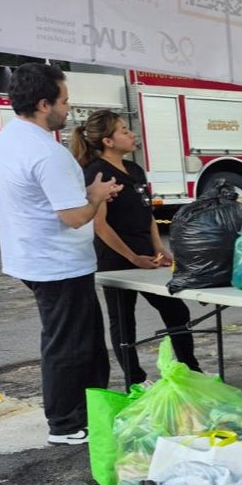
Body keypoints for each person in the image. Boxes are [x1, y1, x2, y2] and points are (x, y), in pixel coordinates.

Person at [0, 63, 120, 445]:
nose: (69, 109)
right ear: (45, 104)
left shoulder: (9, 137)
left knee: (82, 339)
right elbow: (76, 216)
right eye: (65, 101)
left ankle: (90, 412)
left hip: (34, 257)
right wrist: (96, 195)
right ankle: (65, 424)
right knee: (69, 344)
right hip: (56, 263)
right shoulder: (47, 153)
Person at [70, 110, 201, 383]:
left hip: (147, 256)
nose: (132, 135)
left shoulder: (135, 170)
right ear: (108, 141)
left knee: (175, 309)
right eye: (124, 131)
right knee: (124, 321)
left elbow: (147, 215)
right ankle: (135, 381)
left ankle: (190, 369)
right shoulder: (97, 173)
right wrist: (133, 257)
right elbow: (100, 225)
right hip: (116, 259)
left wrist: (159, 249)